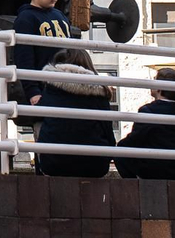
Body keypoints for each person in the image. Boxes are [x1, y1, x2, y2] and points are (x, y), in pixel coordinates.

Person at [32, 47, 116, 178]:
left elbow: (39, 115)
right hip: (95, 165)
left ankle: (40, 177)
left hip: (54, 164)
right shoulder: (101, 91)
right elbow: (108, 132)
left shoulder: (52, 88)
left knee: (38, 123)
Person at [114, 68, 175, 180]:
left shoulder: (149, 110)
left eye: (154, 80)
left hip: (154, 168)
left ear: (159, 88)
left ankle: (135, 185)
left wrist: (120, 144)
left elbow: (135, 139)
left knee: (120, 151)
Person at [12, 0, 75, 106]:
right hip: (45, 88)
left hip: (67, 85)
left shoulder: (59, 15)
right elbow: (24, 57)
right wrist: (33, 91)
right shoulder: (25, 18)